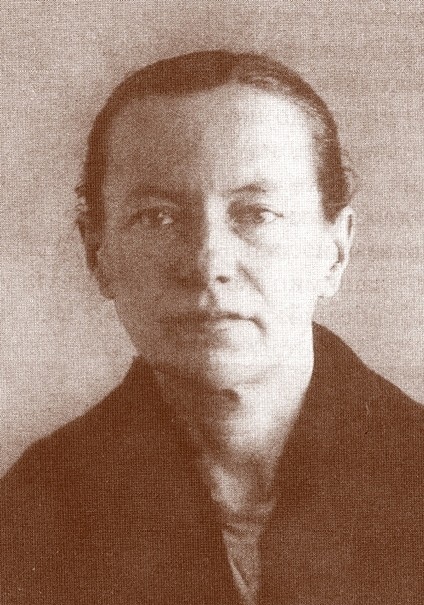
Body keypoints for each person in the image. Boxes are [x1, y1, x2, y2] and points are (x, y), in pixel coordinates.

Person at [1, 50, 423, 605]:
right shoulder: (33, 512)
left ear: (334, 252)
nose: (207, 263)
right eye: (157, 216)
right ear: (97, 254)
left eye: (257, 213)